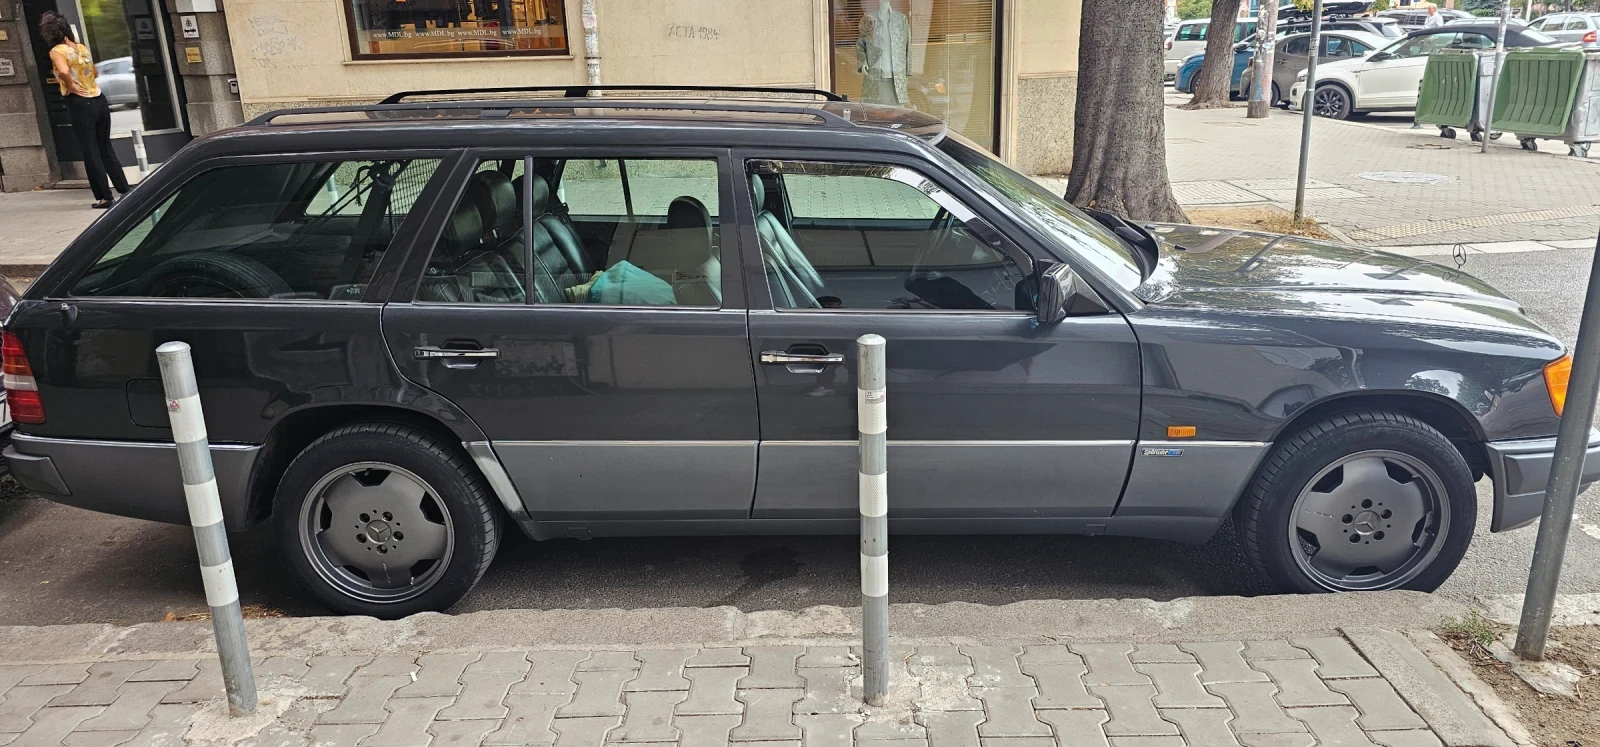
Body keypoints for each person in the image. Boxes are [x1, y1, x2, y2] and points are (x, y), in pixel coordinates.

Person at [40, 12, 130, 209]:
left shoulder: (57, 51)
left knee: (90, 150)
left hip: (81, 103)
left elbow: (63, 71)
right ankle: (125, 190)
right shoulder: (81, 48)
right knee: (105, 148)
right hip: (99, 99)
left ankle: (105, 197)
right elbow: (94, 72)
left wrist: (71, 86)